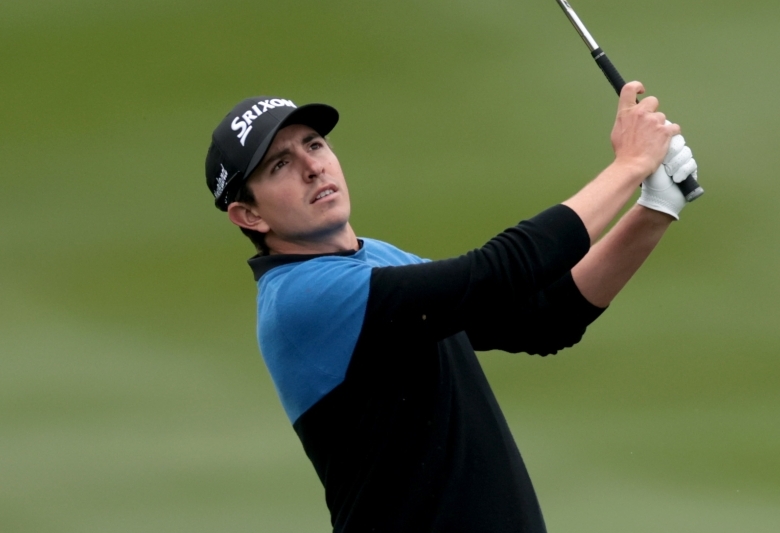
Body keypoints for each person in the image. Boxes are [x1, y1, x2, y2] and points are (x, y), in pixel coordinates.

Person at [203, 84, 698, 533]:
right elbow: (495, 273)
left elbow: (543, 317)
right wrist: (629, 166)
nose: (312, 167)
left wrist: (655, 208)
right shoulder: (303, 299)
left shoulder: (375, 261)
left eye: (313, 144)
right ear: (249, 215)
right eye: (279, 165)